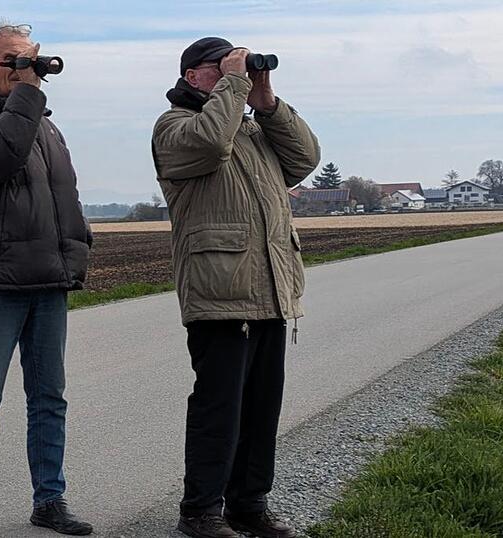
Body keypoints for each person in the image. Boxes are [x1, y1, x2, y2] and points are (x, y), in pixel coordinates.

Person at [151, 37, 321, 538]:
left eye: (238, 65)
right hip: (219, 292)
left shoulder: (250, 128)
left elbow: (306, 158)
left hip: (269, 287)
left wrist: (266, 101)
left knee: (262, 408)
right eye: (219, 66)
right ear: (190, 77)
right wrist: (236, 82)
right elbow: (209, 144)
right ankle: (200, 511)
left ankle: (248, 505)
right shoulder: (174, 127)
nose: (235, 72)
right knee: (219, 408)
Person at [0, 21, 94, 538]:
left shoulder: (47, 128)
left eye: (29, 59)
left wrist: (77, 254)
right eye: (10, 59)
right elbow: (1, 156)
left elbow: (63, 200)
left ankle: (49, 501)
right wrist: (28, 93)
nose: (22, 68)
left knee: (49, 398)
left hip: (47, 282)